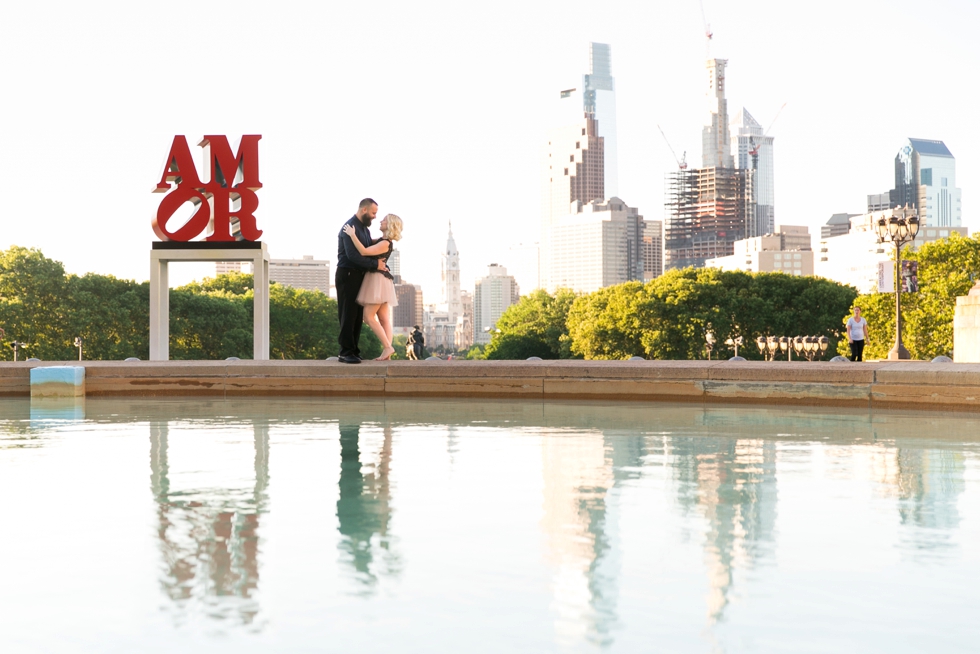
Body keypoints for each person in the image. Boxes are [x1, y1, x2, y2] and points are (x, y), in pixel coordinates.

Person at [342, 213, 404, 361]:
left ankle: (388, 347)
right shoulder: (382, 241)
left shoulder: (385, 243)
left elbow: (364, 251)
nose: (380, 221)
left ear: (389, 225)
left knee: (368, 317)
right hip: (381, 280)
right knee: (383, 318)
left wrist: (352, 235)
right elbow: (368, 243)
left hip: (377, 281)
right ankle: (387, 352)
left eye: (384, 220)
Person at [336, 199, 388, 364]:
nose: (374, 217)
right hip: (348, 274)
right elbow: (353, 256)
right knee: (348, 313)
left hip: (359, 276)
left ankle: (353, 350)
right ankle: (345, 352)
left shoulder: (364, 229)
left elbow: (368, 249)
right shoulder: (349, 228)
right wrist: (376, 265)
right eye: (373, 213)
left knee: (357, 315)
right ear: (364, 210)